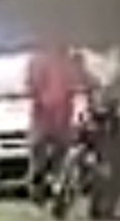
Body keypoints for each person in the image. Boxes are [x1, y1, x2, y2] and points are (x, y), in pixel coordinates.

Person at [26, 35, 94, 202]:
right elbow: (31, 84)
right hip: (45, 114)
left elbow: (85, 80)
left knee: (60, 150)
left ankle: (53, 184)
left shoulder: (70, 61)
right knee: (42, 151)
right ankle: (39, 183)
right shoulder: (40, 61)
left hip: (62, 114)